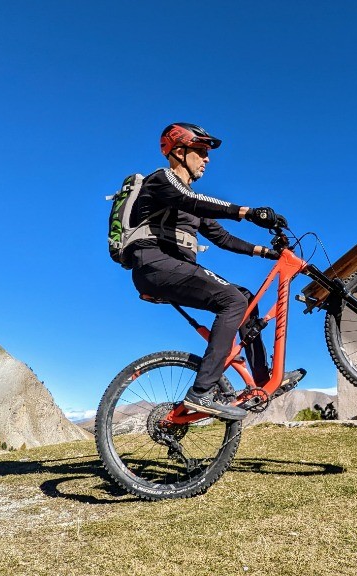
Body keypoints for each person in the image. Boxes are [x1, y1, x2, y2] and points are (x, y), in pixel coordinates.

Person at [123, 122, 305, 421]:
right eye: (202, 151)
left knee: (244, 296)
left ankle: (261, 379)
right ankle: (201, 393)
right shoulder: (161, 181)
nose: (207, 158)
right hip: (154, 265)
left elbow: (222, 238)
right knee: (233, 300)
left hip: (175, 268)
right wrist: (247, 211)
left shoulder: (190, 200)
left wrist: (266, 252)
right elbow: (192, 200)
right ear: (179, 151)